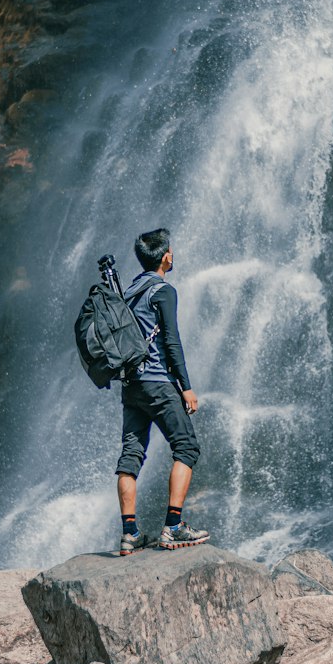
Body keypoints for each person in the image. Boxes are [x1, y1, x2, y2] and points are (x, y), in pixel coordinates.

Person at [115, 227, 209, 556]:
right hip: (158, 382)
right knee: (187, 447)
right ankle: (173, 527)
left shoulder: (128, 291)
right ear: (166, 256)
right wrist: (187, 388)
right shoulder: (163, 291)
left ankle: (130, 534)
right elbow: (171, 342)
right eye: (171, 249)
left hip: (131, 388)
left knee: (130, 457)